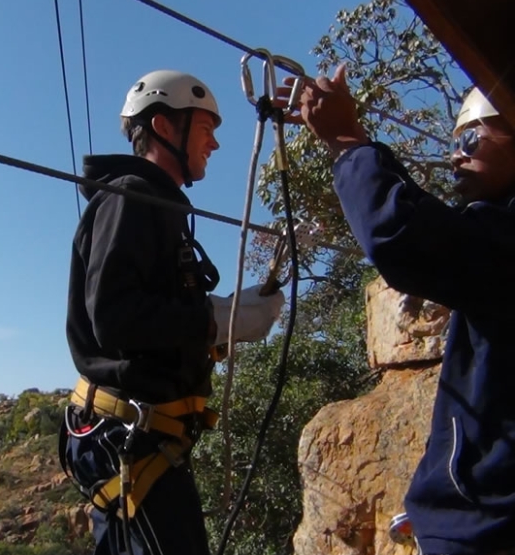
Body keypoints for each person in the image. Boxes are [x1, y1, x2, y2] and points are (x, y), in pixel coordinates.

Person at [280, 64, 515, 555]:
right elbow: (434, 230)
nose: (456, 153)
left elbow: (404, 235)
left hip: (487, 527)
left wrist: (347, 141)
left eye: (471, 137)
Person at [58, 69, 285, 555]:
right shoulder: (132, 201)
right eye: (206, 129)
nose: (216, 145)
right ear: (164, 127)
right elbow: (117, 317)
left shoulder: (155, 206)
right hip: (131, 437)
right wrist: (213, 321)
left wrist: (222, 314)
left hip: (137, 437)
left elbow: (152, 312)